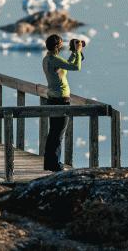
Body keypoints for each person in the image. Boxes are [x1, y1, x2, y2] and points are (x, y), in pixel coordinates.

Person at [41, 34, 83, 171]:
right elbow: (76, 67)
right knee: (58, 133)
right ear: (57, 46)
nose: (63, 45)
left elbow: (64, 68)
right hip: (61, 100)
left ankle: (49, 163)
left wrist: (73, 54)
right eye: (61, 43)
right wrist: (77, 51)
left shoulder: (48, 58)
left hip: (52, 99)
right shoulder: (54, 59)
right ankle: (56, 165)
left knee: (53, 132)